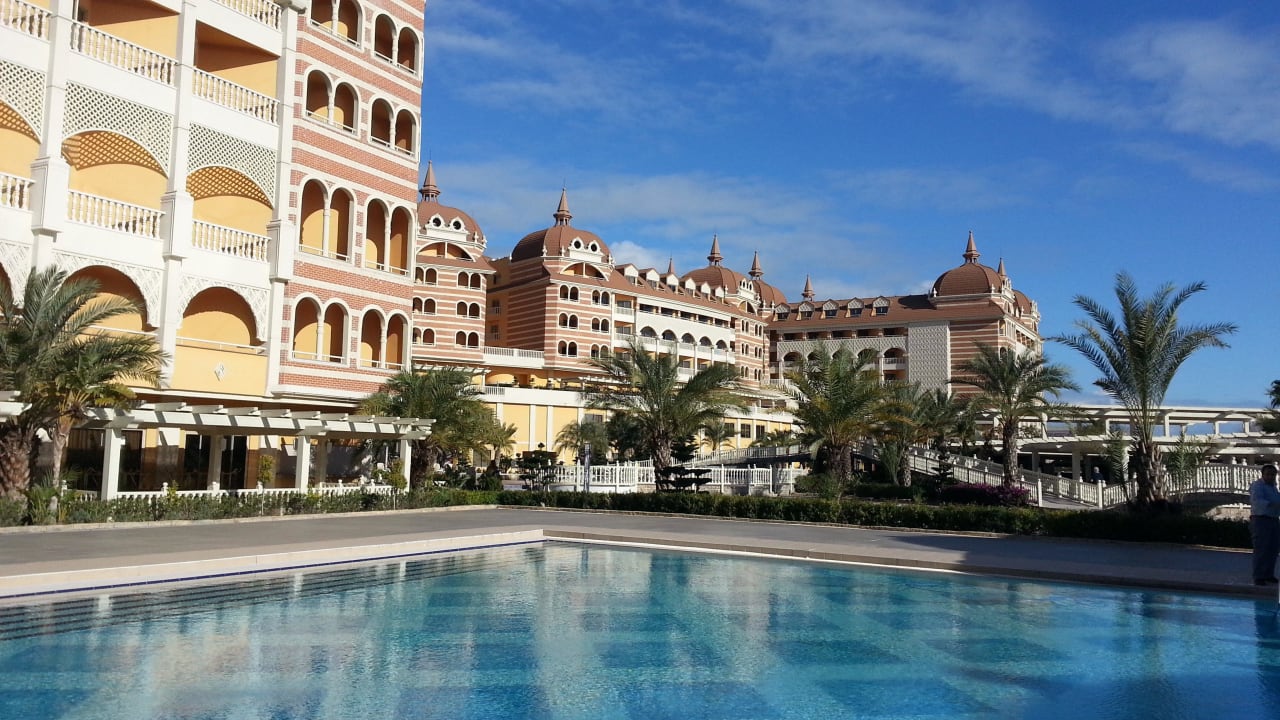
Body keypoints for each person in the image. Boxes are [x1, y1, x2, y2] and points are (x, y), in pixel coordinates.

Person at [1249, 464, 1280, 586]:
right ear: (1263, 474)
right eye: (1268, 474)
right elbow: (1258, 501)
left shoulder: (1273, 488)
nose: (1271, 477)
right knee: (1261, 548)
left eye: (1273, 474)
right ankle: (1259, 576)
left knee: (1273, 548)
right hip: (1260, 520)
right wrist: (1273, 504)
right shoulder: (1257, 486)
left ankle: (1268, 574)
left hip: (1273, 519)